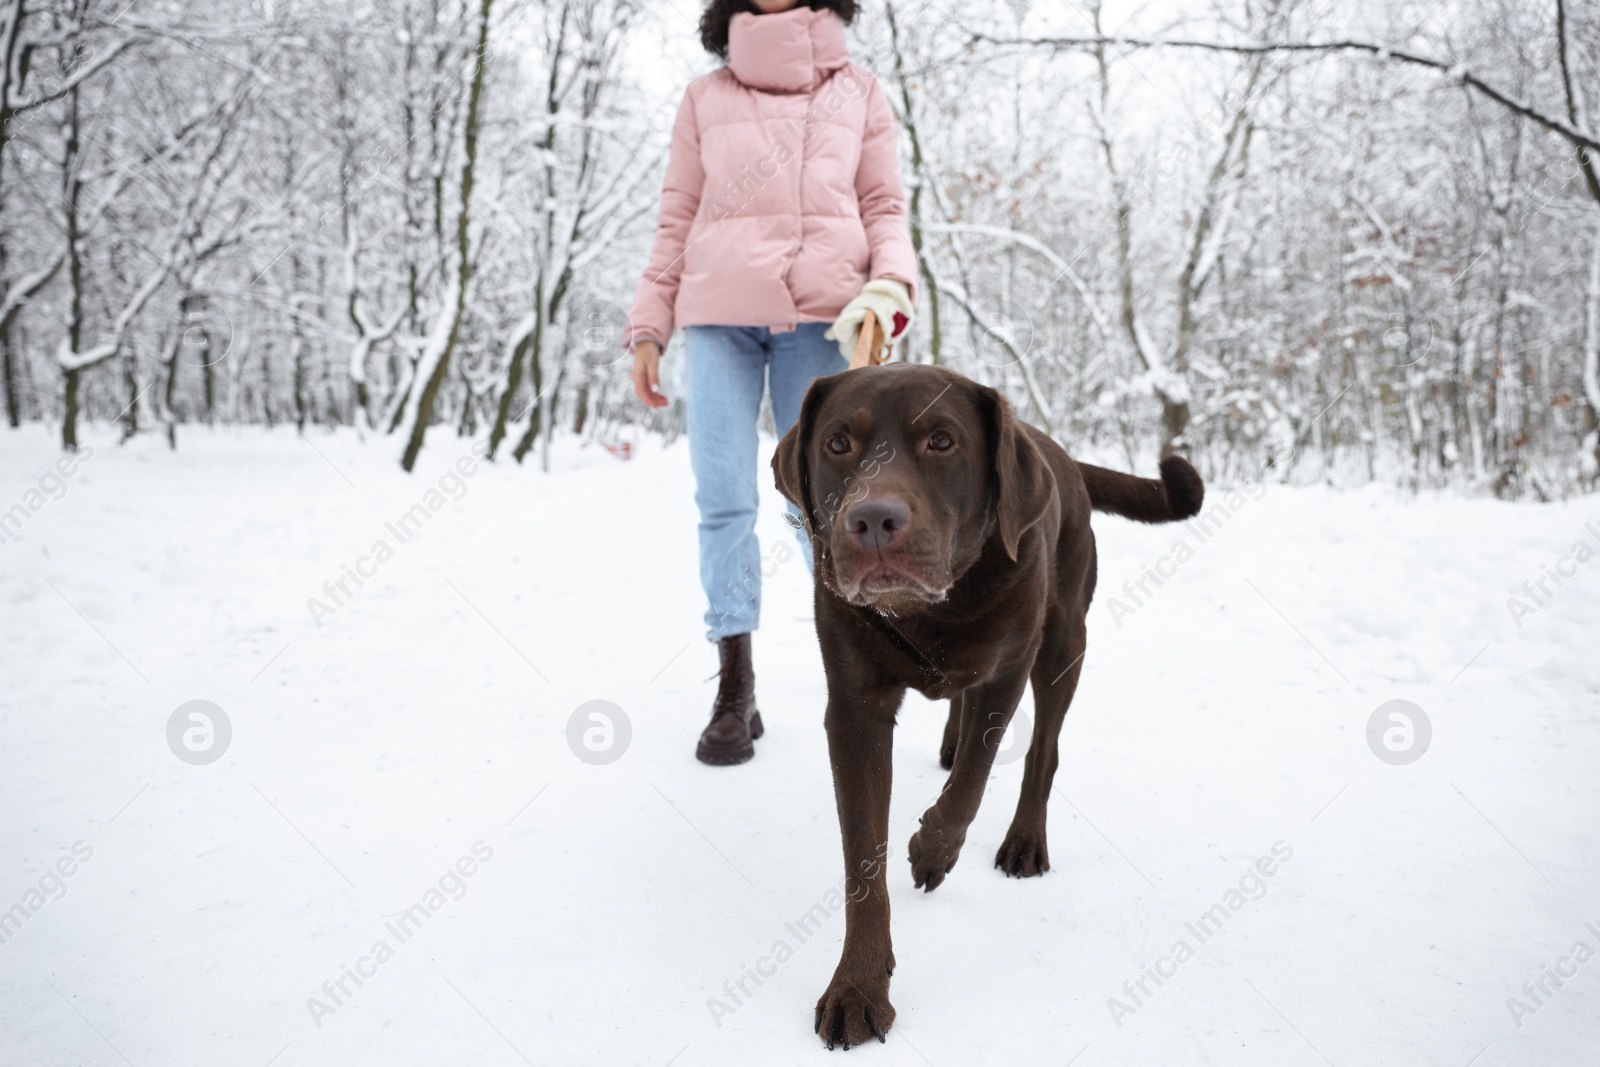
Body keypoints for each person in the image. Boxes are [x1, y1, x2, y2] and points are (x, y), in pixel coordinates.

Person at [623, 0, 917, 765]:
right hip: (718, 318)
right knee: (723, 496)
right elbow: (676, 213)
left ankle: (853, 669)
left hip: (823, 322)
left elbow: (883, 205)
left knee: (822, 505)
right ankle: (735, 687)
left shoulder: (859, 91)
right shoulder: (706, 97)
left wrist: (890, 285)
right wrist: (649, 323)